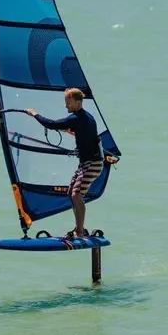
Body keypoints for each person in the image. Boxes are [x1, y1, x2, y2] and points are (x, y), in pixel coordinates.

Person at [24, 88, 104, 239]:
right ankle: (79, 229)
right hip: (86, 163)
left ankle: (79, 232)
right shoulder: (85, 117)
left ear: (78, 102)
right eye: (66, 103)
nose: (66, 106)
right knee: (71, 193)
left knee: (76, 194)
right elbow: (85, 133)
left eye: (69, 103)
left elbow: (52, 124)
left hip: (93, 163)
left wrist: (34, 114)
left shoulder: (77, 118)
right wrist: (72, 131)